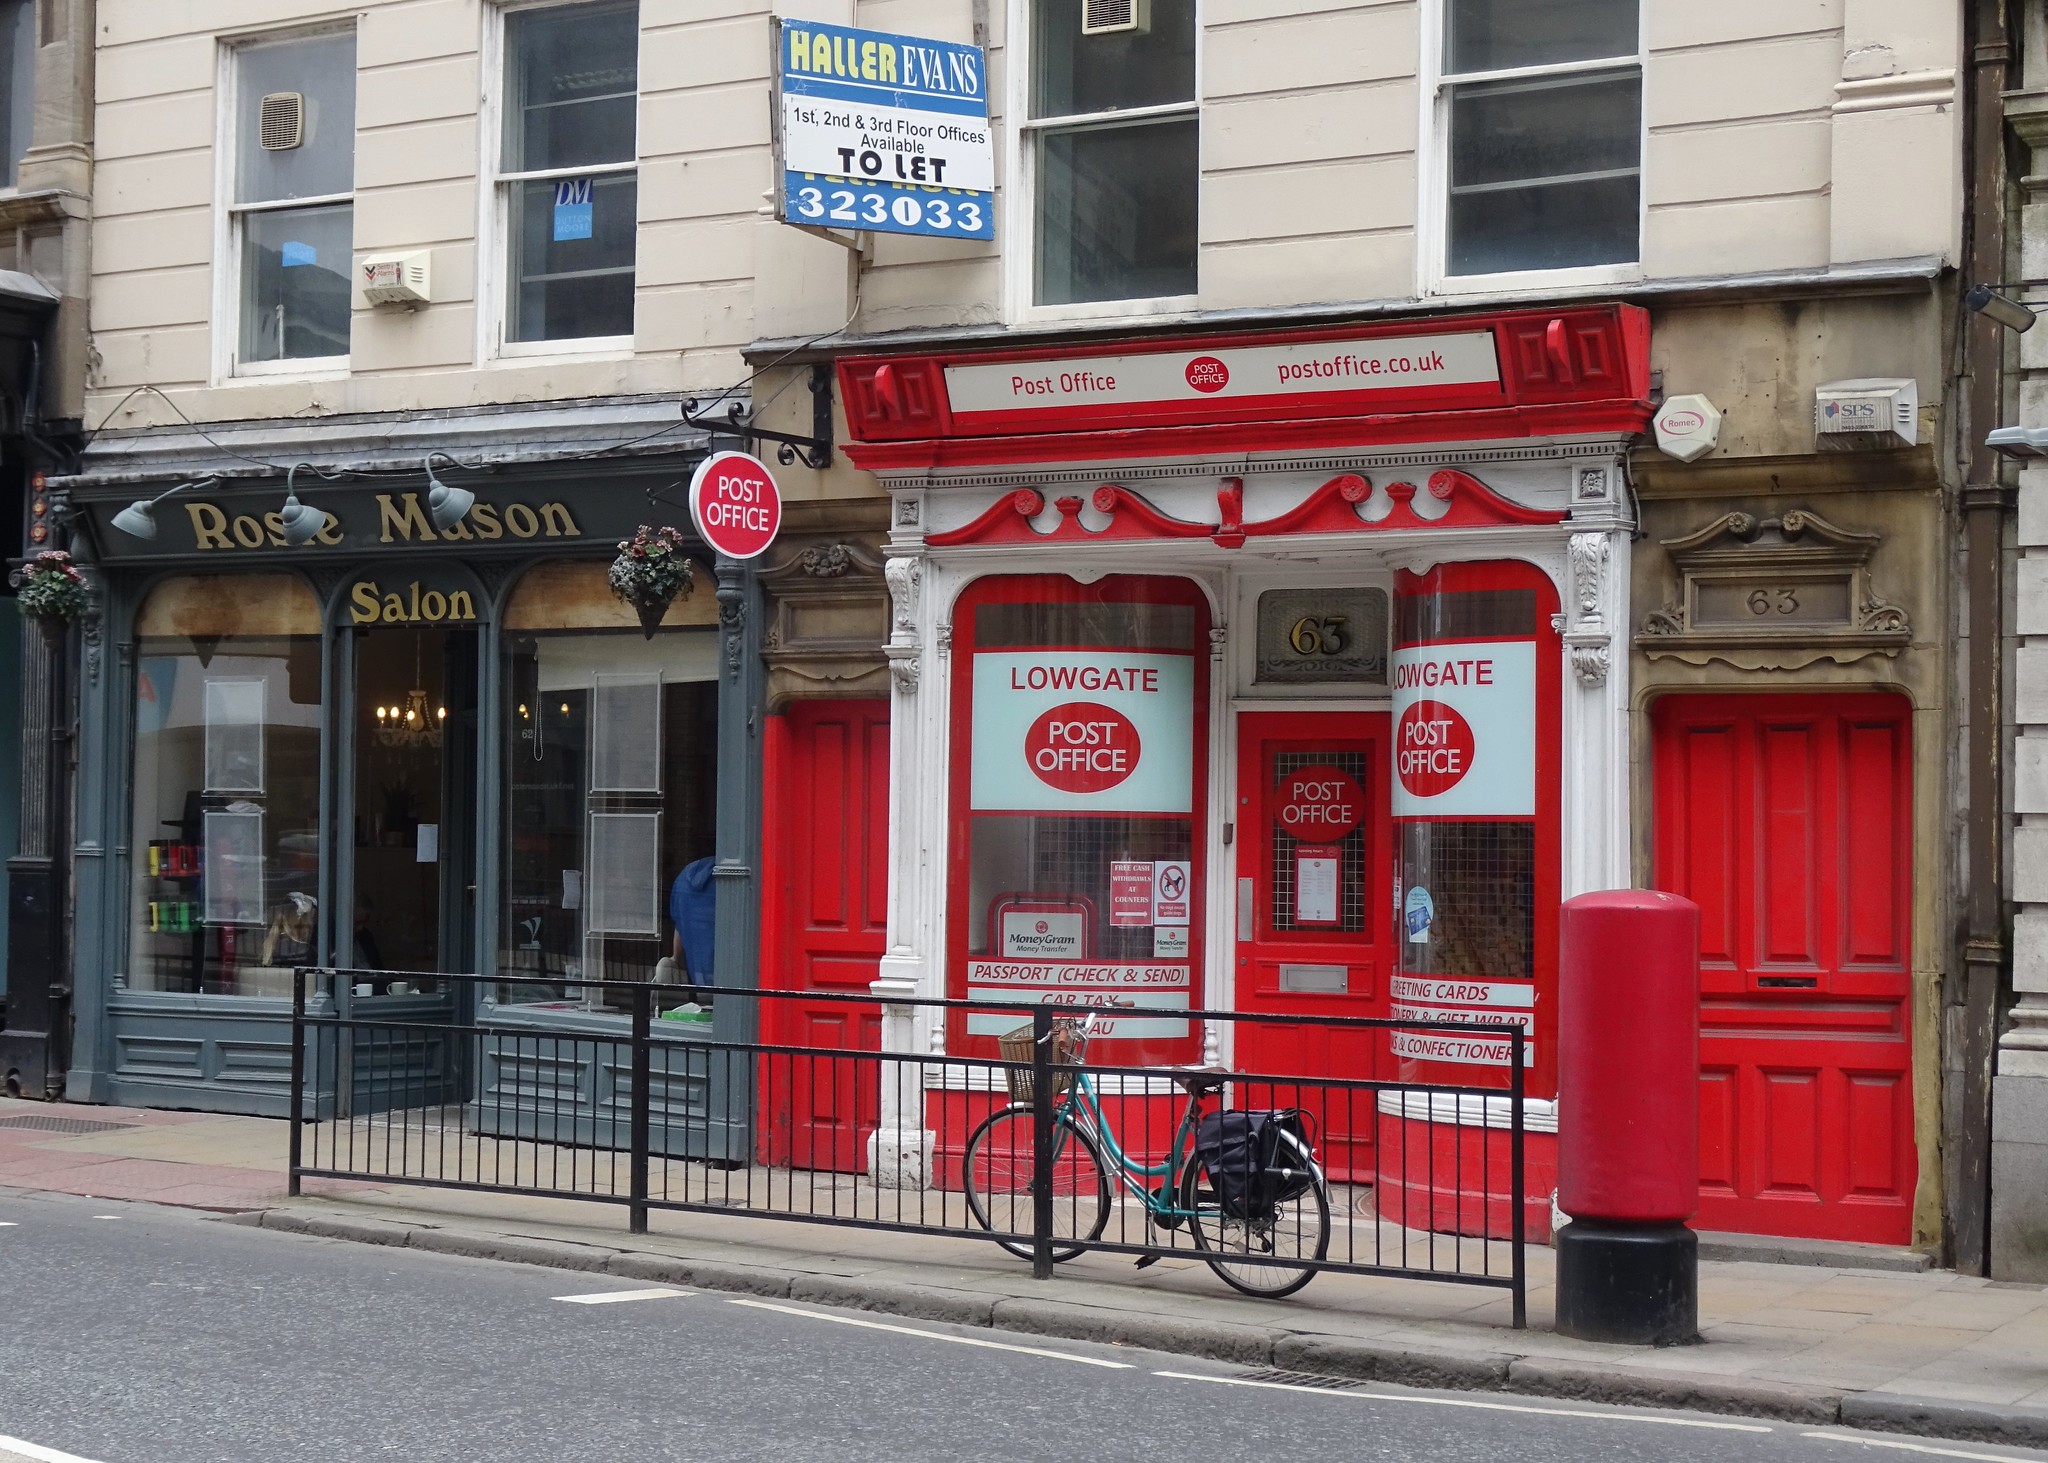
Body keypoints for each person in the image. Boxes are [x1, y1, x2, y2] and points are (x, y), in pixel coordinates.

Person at [669, 856, 716, 993]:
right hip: (731, 983)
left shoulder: (684, 877)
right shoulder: (727, 878)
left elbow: (680, 925)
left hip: (699, 981)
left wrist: (675, 959)